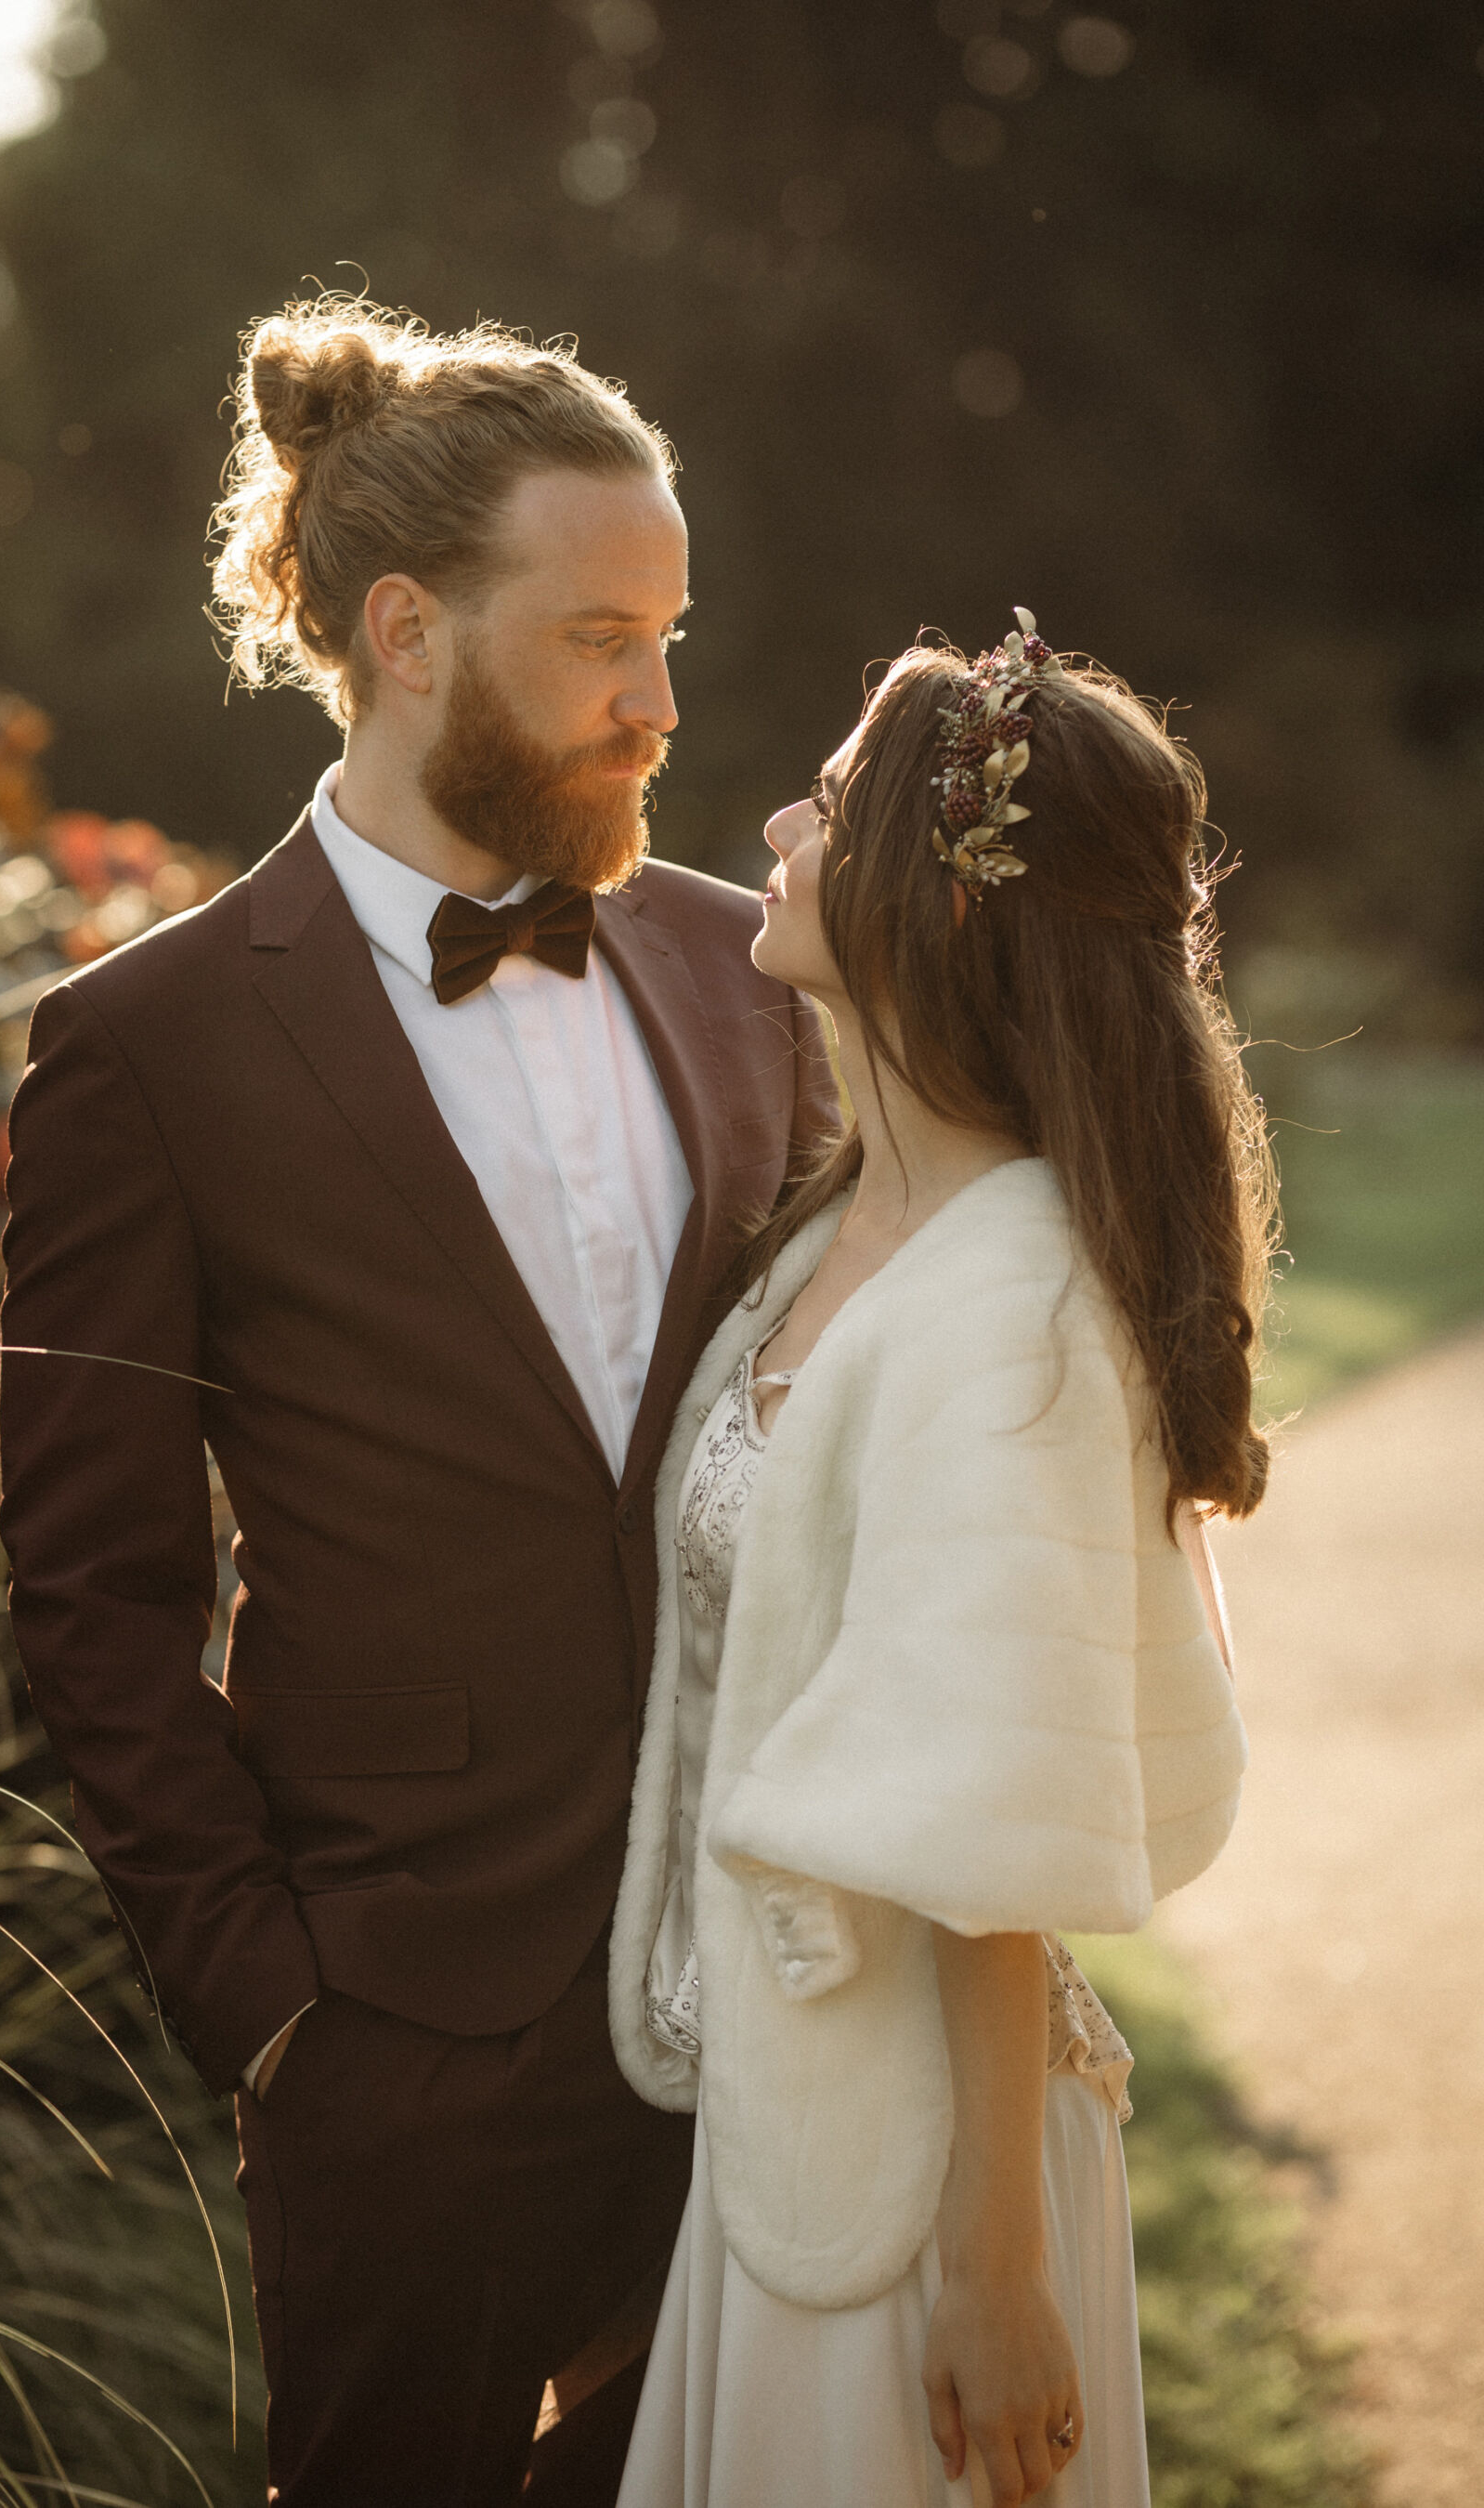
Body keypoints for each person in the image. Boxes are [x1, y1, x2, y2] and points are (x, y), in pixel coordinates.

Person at [0, 300, 837, 2506]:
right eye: (598, 641)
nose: (661, 703)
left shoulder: (760, 977)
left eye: (671, 635)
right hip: (401, 2033)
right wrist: (270, 1997)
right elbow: (93, 1590)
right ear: (403, 634)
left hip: (766, 2002)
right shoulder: (148, 1049)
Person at [608, 614, 1273, 2507]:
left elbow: (992, 1821)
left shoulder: (1013, 1301)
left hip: (926, 2172)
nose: (775, 826)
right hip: (797, 2103)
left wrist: (991, 2270)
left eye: (820, 805)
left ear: (930, 894)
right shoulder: (836, 1221)